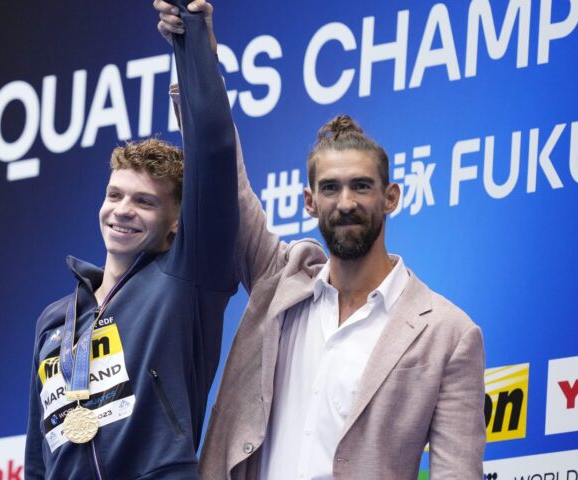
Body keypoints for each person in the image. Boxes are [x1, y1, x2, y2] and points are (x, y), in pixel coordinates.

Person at [155, 1, 487, 478]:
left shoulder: (449, 334)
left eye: (361, 186)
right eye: (330, 188)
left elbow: (458, 472)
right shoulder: (279, 281)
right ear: (310, 202)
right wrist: (198, 60)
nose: (346, 202)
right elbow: (225, 177)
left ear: (390, 197)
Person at [24, 2, 238, 478]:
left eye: (144, 202)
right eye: (115, 194)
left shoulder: (186, 279)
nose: (122, 210)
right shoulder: (54, 320)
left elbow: (214, 151)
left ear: (176, 222)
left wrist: (192, 43)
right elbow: (38, 457)